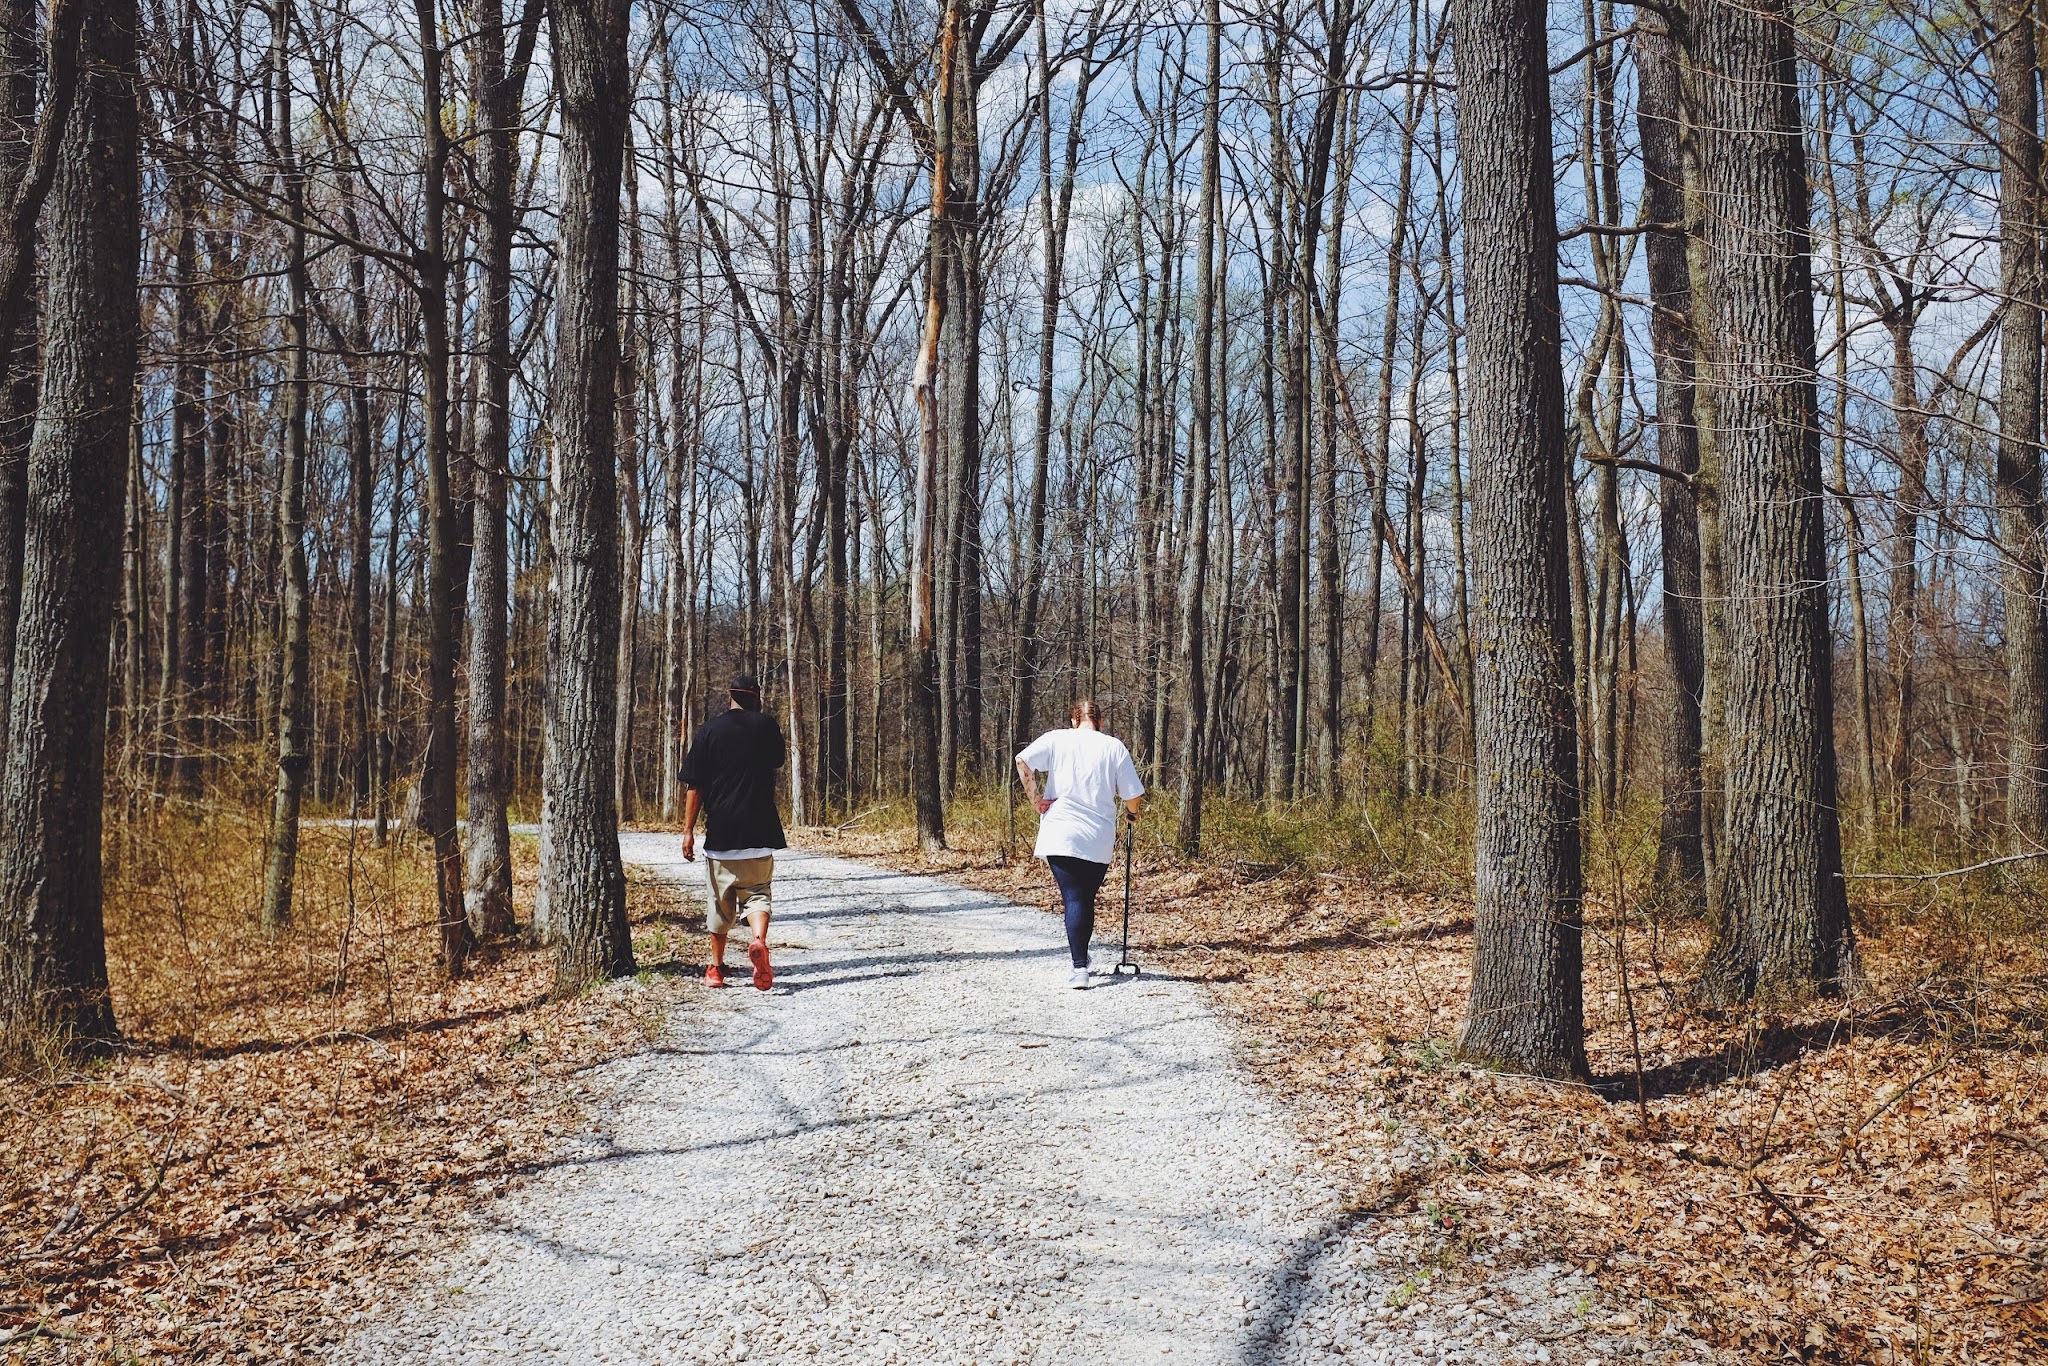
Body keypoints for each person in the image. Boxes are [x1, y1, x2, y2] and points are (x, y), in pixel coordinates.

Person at [1014, 700, 1144, 988]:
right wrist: (1132, 814)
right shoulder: (1113, 747)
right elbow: (1132, 795)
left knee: (1074, 898)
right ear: (1100, 722)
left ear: (1074, 721)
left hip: (1061, 832)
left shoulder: (1057, 739)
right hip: (1097, 835)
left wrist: (1036, 800)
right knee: (1084, 898)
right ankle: (1081, 959)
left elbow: (1022, 761)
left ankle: (1080, 967)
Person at [680, 675, 787, 990]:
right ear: (756, 697)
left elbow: (695, 785)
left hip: (722, 834)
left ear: (731, 696)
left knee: (719, 905)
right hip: (761, 832)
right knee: (758, 895)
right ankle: (759, 940)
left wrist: (688, 830)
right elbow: (777, 761)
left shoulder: (709, 730)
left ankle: (716, 969)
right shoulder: (767, 726)